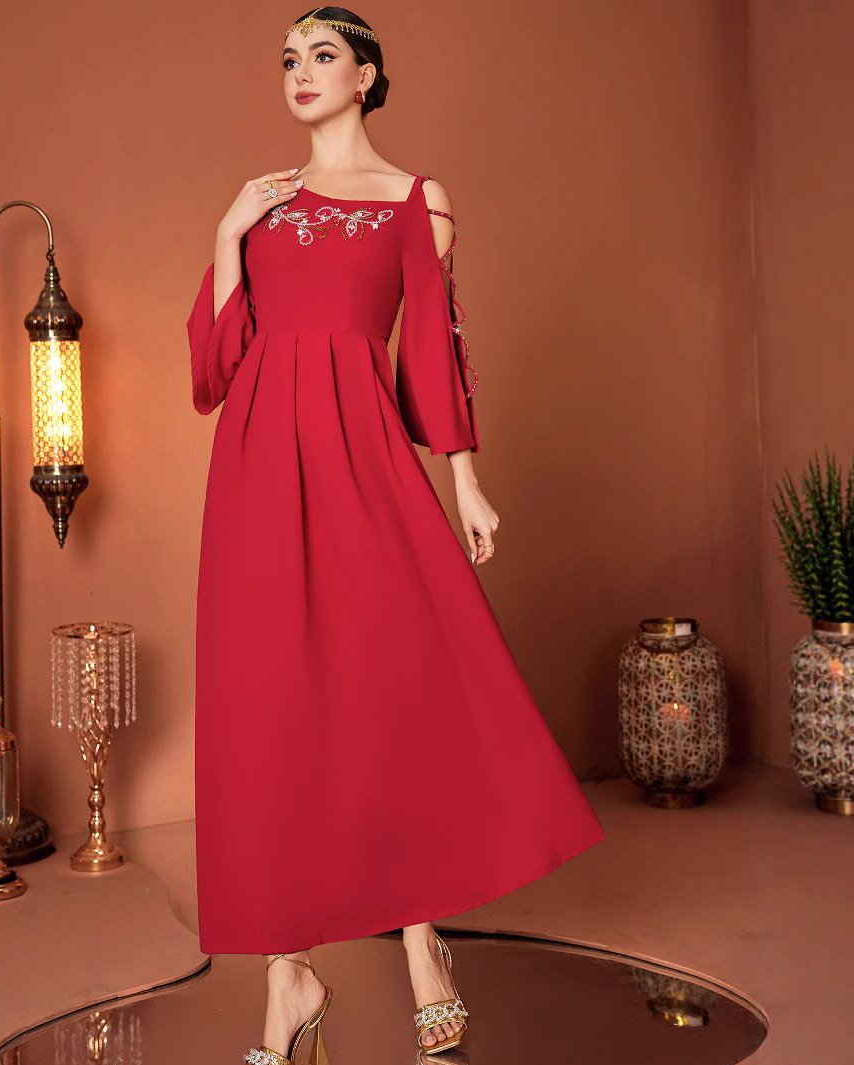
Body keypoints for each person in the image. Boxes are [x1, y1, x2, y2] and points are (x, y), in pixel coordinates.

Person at [185, 7, 607, 1062]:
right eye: (289, 58)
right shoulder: (262, 204)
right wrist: (226, 235)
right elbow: (214, 369)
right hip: (254, 467)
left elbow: (431, 350)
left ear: (367, 76)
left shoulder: (417, 202)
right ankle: (286, 976)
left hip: (361, 452)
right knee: (267, 703)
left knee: (392, 681)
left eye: (323, 55)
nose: (300, 72)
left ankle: (423, 938)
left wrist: (463, 479)